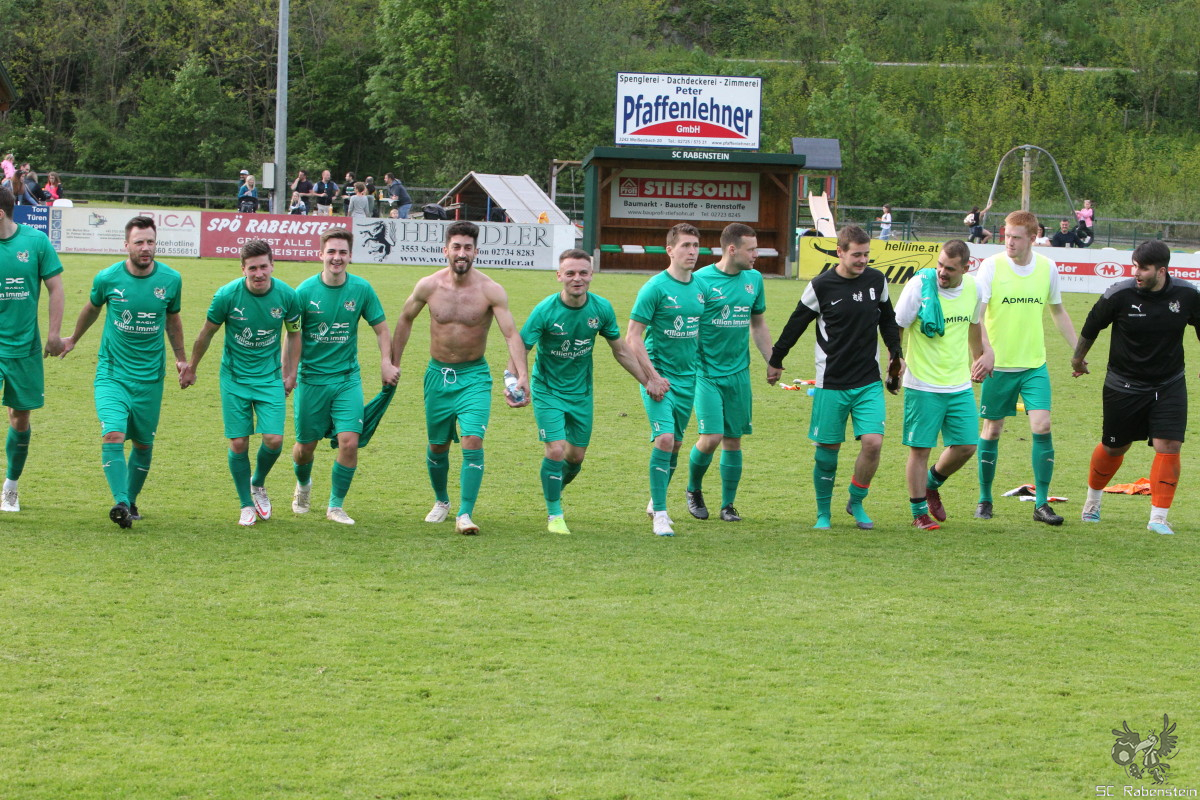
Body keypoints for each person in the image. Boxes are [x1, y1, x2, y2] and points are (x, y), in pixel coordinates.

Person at [391, 220, 529, 535]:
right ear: (446, 250)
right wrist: (393, 362)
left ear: (476, 251)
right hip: (437, 376)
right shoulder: (428, 286)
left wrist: (522, 375)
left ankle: (465, 513)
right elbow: (405, 318)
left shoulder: (491, 290)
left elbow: (511, 334)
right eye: (456, 247)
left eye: (468, 247)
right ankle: (442, 501)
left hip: (474, 376)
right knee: (437, 446)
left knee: (472, 440)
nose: (462, 253)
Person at [769, 225, 903, 530]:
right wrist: (776, 359)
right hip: (831, 382)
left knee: (873, 443)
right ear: (839, 252)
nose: (863, 260)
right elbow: (796, 324)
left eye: (866, 254)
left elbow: (888, 320)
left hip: (868, 381)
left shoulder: (876, 280)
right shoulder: (820, 286)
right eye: (857, 255)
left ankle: (857, 500)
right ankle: (823, 513)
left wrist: (895, 353)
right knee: (828, 451)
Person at [60, 216, 186, 528]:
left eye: (150, 242)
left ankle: (129, 500)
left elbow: (173, 320)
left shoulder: (171, 280)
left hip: (150, 378)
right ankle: (120, 502)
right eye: (139, 242)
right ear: (126, 245)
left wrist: (181, 360)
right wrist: (73, 339)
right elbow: (92, 308)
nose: (146, 248)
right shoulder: (107, 278)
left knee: (143, 444)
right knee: (113, 433)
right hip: (112, 374)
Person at [512, 249, 650, 534]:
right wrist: (515, 381)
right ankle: (555, 515)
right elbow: (520, 348)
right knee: (556, 450)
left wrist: (647, 381)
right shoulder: (545, 310)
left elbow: (621, 350)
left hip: (581, 393)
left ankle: (554, 487)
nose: (577, 278)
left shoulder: (601, 308)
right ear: (559, 276)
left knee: (575, 458)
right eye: (571, 273)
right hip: (547, 389)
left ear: (591, 275)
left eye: (583, 272)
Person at [1070, 241, 1200, 535]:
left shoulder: (1187, 295)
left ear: (1162, 271)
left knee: (1170, 445)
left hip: (1169, 383)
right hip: (1123, 385)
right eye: (1134, 266)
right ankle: (1093, 501)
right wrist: (1078, 359)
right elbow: (1092, 326)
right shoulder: (1120, 294)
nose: (1136, 273)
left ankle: (1158, 518)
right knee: (1115, 447)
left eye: (1143, 268)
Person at [179, 241, 302, 527]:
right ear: (243, 269)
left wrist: (291, 372)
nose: (259, 273)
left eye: (263, 267)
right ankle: (246, 504)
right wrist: (192, 368)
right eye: (252, 268)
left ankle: (256, 482)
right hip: (234, 378)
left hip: (270, 376)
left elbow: (295, 334)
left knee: (274, 440)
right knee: (238, 442)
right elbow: (206, 333)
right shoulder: (226, 296)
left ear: (272, 265)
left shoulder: (288, 296)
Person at [970, 210, 1078, 526]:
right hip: (999, 367)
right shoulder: (991, 266)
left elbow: (1058, 311)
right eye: (1006, 235)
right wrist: (984, 353)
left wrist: (1078, 351)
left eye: (1016, 237)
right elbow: (977, 316)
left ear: (1033, 237)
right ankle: (985, 499)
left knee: (1042, 426)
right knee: (992, 430)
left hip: (1034, 365)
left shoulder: (1047, 268)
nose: (1009, 242)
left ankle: (1041, 504)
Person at [290, 228, 398, 525]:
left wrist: (386, 363)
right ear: (320, 254)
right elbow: (292, 335)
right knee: (305, 448)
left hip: (347, 378)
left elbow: (381, 329)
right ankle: (303, 486)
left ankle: (335, 506)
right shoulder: (303, 292)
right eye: (331, 252)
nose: (336, 258)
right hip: (311, 380)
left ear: (350, 256)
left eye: (342, 252)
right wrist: (289, 372)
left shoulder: (362, 289)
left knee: (349, 442)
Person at [684, 223, 771, 523]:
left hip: (739, 373)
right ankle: (693, 490)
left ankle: (728, 505)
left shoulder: (754, 280)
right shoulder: (700, 280)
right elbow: (687, 324)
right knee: (711, 436)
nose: (756, 255)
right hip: (705, 371)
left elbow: (758, 324)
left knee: (733, 439)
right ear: (732, 249)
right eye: (751, 250)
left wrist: (772, 360)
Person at [893, 240, 982, 529]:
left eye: (950, 268)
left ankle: (931, 483)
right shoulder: (919, 286)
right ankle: (919, 513)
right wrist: (896, 360)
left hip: (959, 383)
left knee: (967, 446)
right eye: (940, 265)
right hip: (922, 383)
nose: (942, 272)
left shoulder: (974, 288)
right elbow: (897, 325)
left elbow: (974, 324)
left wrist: (981, 357)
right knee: (920, 450)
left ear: (965, 268)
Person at [625, 222, 702, 537]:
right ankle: (660, 513)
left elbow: (700, 333)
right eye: (685, 245)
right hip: (657, 378)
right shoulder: (654, 288)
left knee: (677, 444)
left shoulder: (700, 287)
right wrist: (652, 377)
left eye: (695, 246)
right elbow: (632, 337)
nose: (692, 252)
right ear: (670, 250)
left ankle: (653, 501)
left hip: (688, 379)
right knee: (665, 439)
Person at [0, 186, 65, 513]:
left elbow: (56, 288)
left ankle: (10, 487)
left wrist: (53, 334)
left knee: (19, 417)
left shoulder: (36, 242)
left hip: (24, 348)